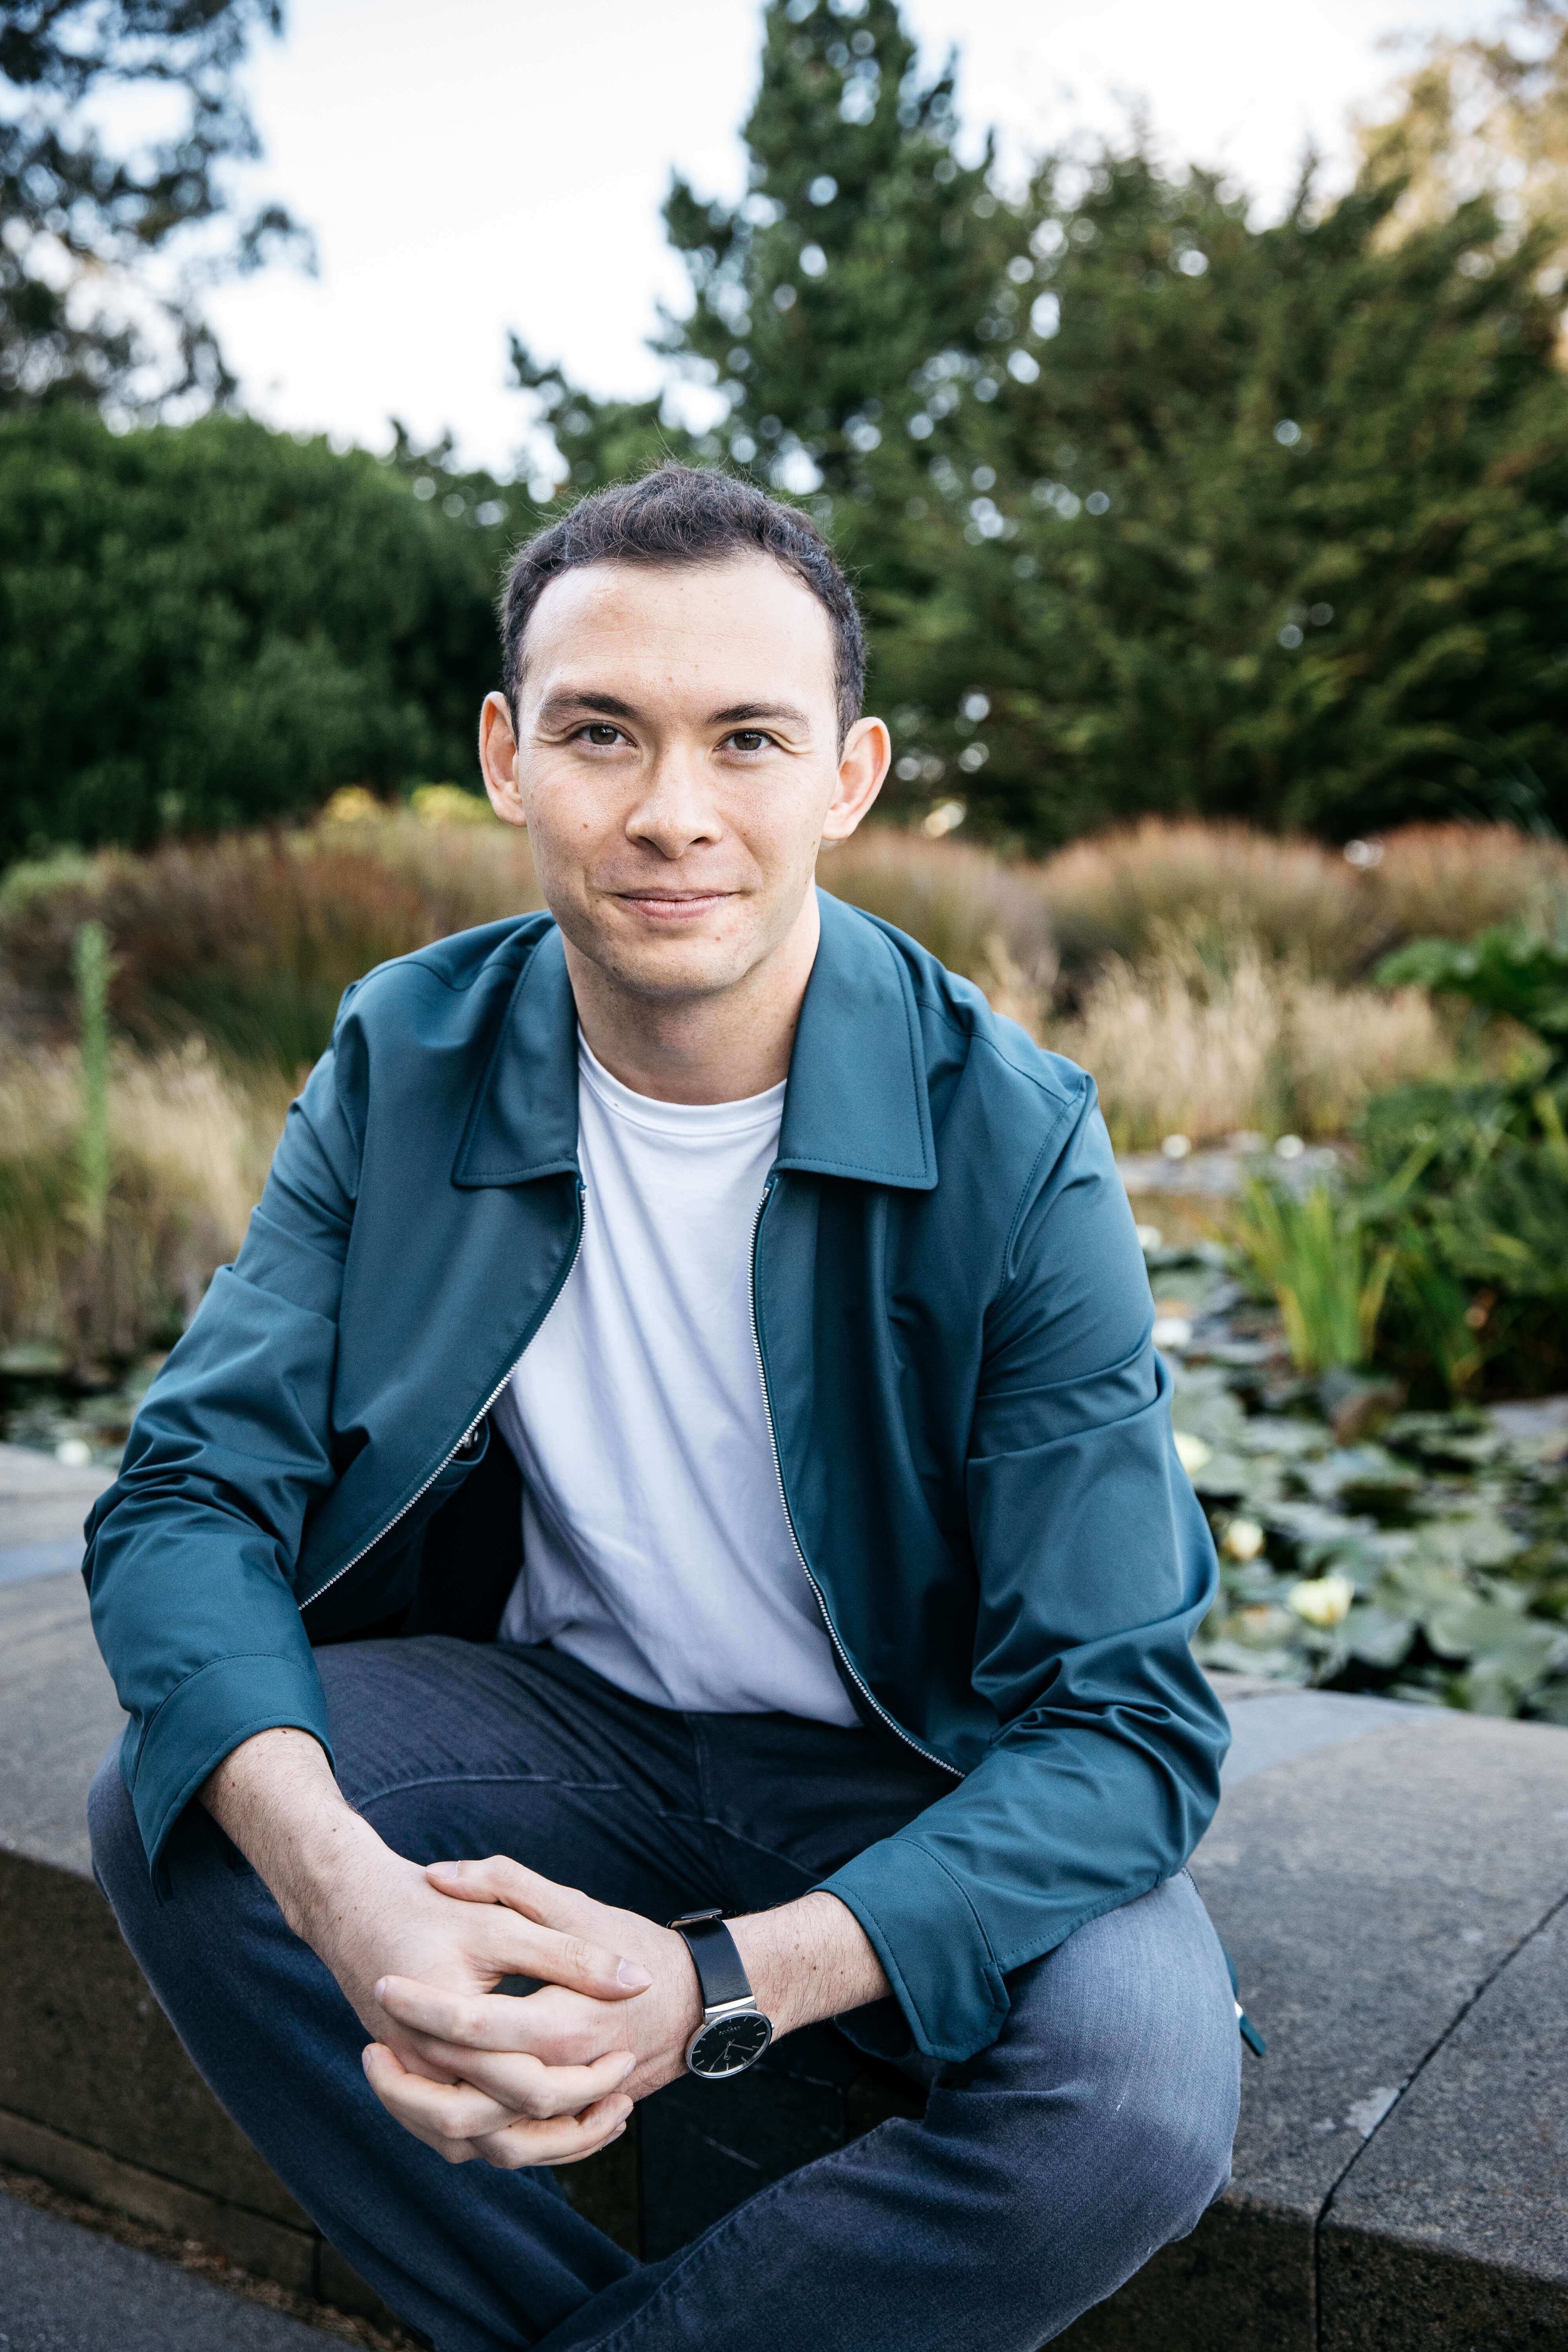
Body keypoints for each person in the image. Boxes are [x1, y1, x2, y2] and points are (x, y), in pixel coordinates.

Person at [86, 464, 1239, 2352]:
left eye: (748, 740)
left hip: (915, 1774)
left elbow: (1127, 1723)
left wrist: (713, 1983)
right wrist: (353, 1900)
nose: (671, 815)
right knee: (191, 1814)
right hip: (558, 1732)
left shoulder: (1008, 1135)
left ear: (848, 775)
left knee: (1132, 2102)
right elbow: (189, 1494)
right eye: (601, 734)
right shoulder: (407, 1050)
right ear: (505, 754)